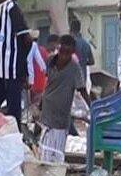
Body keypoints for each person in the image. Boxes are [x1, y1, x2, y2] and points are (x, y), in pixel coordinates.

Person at [38, 35, 91, 163]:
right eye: (62, 52)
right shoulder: (50, 61)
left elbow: (82, 90)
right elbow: (47, 82)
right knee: (45, 151)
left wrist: (93, 107)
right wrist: (40, 102)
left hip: (62, 116)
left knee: (57, 153)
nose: (64, 56)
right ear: (58, 49)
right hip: (47, 110)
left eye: (68, 53)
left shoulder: (74, 68)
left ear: (72, 53)